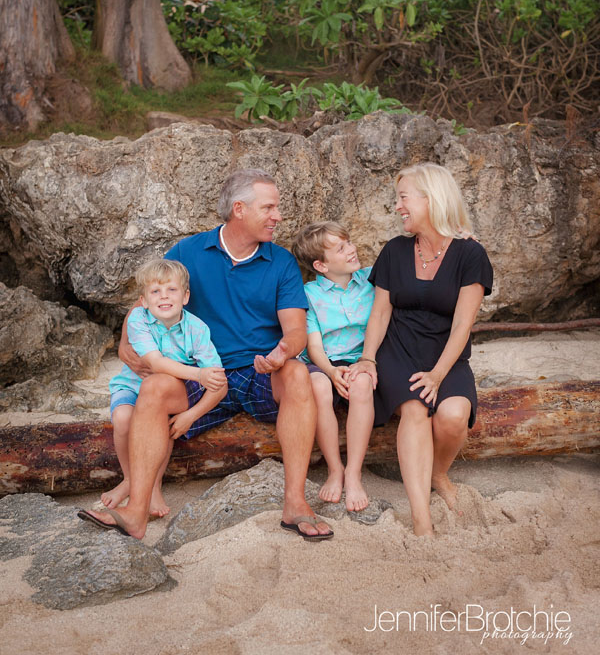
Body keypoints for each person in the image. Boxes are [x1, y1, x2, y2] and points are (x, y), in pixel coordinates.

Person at [78, 169, 333, 541]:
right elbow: (145, 302)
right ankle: (135, 512)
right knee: (154, 387)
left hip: (260, 372)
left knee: (296, 373)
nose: (278, 216)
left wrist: (282, 353)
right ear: (239, 209)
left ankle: (295, 504)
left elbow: (295, 331)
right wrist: (124, 343)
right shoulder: (188, 252)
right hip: (202, 371)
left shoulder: (281, 262)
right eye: (269, 207)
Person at [349, 162, 493, 537]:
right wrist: (368, 357)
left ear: (432, 199)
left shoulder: (470, 254)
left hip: (446, 354)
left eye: (403, 198)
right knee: (414, 409)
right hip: (398, 348)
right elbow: (380, 312)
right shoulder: (395, 251)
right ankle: (421, 520)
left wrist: (438, 375)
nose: (398, 206)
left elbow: (462, 325)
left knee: (453, 416)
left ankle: (438, 474)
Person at [94, 258, 226, 521]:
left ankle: (153, 487)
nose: (164, 296)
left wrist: (191, 415)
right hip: (132, 385)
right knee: (123, 418)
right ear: (144, 301)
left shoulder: (197, 329)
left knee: (161, 422)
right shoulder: (138, 320)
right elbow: (155, 363)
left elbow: (219, 385)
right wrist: (198, 374)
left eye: (171, 290)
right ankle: (131, 480)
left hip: (164, 392)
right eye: (155, 291)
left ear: (185, 297)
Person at [292, 222, 375, 512]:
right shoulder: (309, 294)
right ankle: (334, 468)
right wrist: (330, 371)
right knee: (317, 387)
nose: (351, 249)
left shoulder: (371, 279)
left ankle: (353, 472)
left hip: (362, 358)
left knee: (362, 383)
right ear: (321, 265)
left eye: (348, 242)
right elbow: (313, 345)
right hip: (324, 361)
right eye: (341, 248)